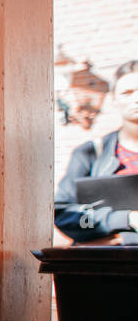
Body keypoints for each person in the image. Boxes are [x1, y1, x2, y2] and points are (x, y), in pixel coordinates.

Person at [54, 60, 138, 246]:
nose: (136, 98)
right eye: (127, 92)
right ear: (114, 99)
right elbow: (63, 213)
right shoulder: (90, 153)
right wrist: (127, 219)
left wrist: (120, 238)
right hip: (107, 270)